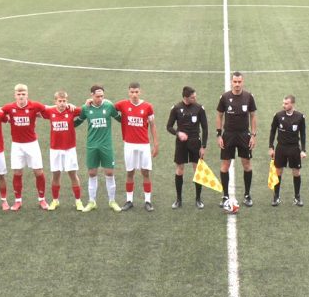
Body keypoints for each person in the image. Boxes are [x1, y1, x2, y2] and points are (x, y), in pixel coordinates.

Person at [2, 84, 49, 211]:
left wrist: (67, 106)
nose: (21, 96)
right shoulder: (9, 107)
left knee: (38, 172)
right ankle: (18, 201)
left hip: (32, 144)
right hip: (17, 145)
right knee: (17, 172)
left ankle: (42, 199)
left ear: (27, 94)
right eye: (19, 94)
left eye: (23, 94)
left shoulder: (35, 106)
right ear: (15, 95)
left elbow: (50, 109)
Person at [75, 85, 121, 212]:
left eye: (102, 96)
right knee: (92, 173)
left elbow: (121, 119)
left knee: (109, 173)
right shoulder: (86, 108)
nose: (100, 99)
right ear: (91, 95)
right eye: (97, 96)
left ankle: (112, 201)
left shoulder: (109, 106)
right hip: (92, 145)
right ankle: (92, 202)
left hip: (106, 145)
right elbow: (77, 121)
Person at [114, 82, 159, 212]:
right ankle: (129, 201)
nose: (134, 94)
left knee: (145, 172)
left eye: (136, 92)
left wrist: (156, 144)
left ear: (140, 92)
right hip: (129, 144)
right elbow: (107, 106)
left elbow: (152, 125)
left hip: (144, 145)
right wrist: (89, 101)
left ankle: (148, 201)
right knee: (130, 172)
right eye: (132, 92)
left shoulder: (148, 106)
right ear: (128, 92)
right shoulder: (122, 104)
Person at [216, 72, 258, 207]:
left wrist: (253, 135)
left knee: (247, 165)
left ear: (242, 82)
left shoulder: (249, 97)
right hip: (228, 135)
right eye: (235, 82)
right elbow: (219, 115)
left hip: (244, 135)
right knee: (225, 166)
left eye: (239, 82)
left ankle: (247, 195)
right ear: (231, 82)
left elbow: (253, 116)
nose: (237, 84)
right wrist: (219, 134)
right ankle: (225, 196)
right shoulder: (224, 97)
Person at [41, 91, 85, 211]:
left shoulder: (71, 110)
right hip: (55, 149)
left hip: (69, 149)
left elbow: (85, 109)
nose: (62, 103)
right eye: (59, 101)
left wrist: (84, 103)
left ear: (67, 101)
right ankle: (55, 200)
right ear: (55, 101)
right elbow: (38, 111)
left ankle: (78, 201)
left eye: (64, 101)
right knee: (56, 175)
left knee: (73, 174)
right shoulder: (50, 112)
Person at [167, 86, 209, 209]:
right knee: (180, 169)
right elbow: (169, 126)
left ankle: (198, 199)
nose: (195, 99)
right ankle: (178, 200)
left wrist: (203, 146)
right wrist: (178, 133)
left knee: (197, 170)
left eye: (195, 96)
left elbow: (205, 128)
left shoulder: (199, 108)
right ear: (185, 97)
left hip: (195, 142)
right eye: (192, 97)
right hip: (181, 144)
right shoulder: (176, 108)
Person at [268, 94, 307, 207]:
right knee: (278, 171)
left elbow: (303, 134)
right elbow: (272, 131)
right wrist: (271, 147)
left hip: (294, 148)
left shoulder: (300, 117)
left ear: (292, 104)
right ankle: (276, 197)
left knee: (296, 172)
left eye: (286, 103)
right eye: (283, 103)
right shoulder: (278, 115)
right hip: (281, 147)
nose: (283, 105)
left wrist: (303, 150)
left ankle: (297, 197)